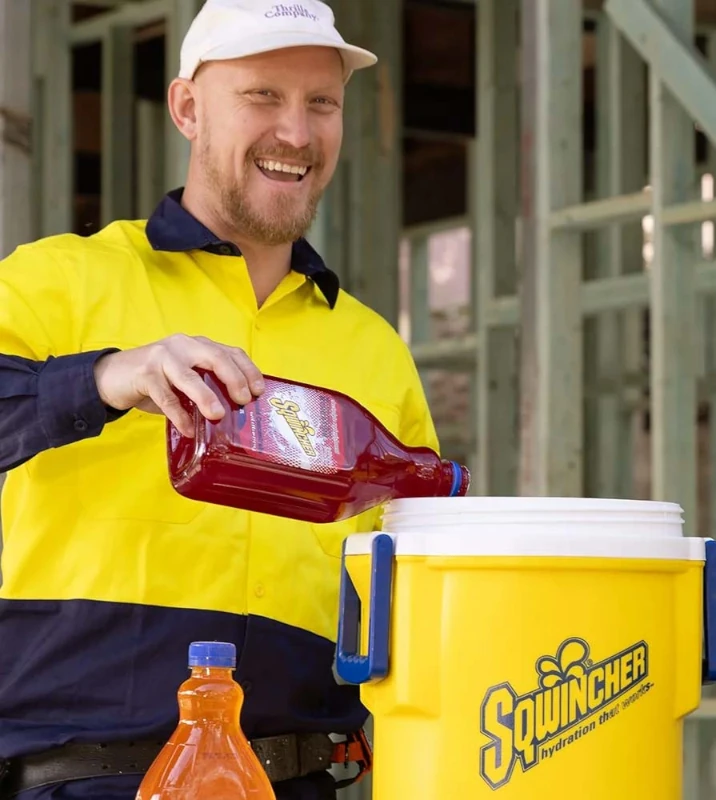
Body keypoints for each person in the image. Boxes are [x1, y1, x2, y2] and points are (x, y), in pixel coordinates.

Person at [0, 1, 439, 798]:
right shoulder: (60, 281)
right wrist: (105, 378)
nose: (297, 134)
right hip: (87, 784)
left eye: (321, 103)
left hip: (303, 781)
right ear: (188, 107)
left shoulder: (375, 350)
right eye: (263, 96)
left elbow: (418, 589)